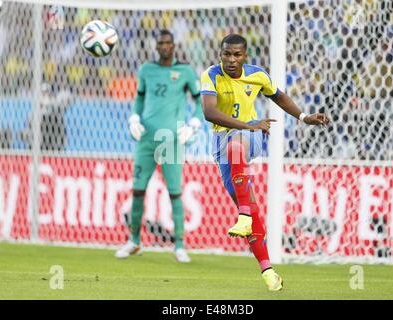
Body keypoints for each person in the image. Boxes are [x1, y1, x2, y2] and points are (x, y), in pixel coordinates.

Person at [200, 34, 330, 291]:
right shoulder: (211, 75)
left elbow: (278, 96)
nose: (232, 59)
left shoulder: (257, 75)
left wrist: (303, 117)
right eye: (227, 54)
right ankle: (268, 271)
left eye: (237, 54)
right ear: (220, 55)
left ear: (245, 56)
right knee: (249, 203)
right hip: (220, 144)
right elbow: (209, 112)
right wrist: (246, 124)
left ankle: (244, 215)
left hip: (251, 136)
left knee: (238, 144)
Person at [115, 29, 204, 263]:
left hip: (171, 139)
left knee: (175, 192)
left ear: (174, 46)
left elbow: (199, 102)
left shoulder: (184, 71)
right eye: (161, 43)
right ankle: (134, 241)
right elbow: (139, 98)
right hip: (146, 140)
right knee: (137, 190)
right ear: (156, 47)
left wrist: (194, 124)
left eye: (168, 43)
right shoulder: (146, 70)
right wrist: (134, 117)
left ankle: (180, 245)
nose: (164, 46)